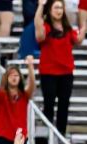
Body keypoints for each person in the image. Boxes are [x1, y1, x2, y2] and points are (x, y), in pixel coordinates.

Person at [35, 0, 82, 135]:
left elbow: (78, 40)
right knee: (48, 104)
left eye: (61, 7)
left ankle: (61, 134)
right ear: (50, 10)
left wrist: (83, 27)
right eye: (56, 7)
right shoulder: (46, 27)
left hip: (66, 72)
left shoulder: (68, 29)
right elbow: (38, 30)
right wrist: (40, 6)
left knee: (64, 105)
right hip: (49, 72)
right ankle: (47, 134)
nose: (59, 10)